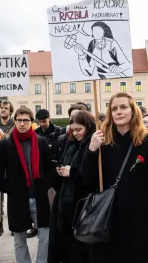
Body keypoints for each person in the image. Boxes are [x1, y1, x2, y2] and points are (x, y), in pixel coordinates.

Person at [81, 92, 148, 263]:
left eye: (123, 107)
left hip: (142, 220)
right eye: (114, 108)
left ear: (133, 111)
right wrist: (91, 149)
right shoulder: (102, 140)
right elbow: (86, 179)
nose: (118, 112)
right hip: (109, 219)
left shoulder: (146, 141)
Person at [0, 106, 53, 263]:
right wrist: (10, 189)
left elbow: (49, 168)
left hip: (39, 197)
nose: (22, 123)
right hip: (17, 199)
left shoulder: (41, 142)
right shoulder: (6, 144)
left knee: (45, 236)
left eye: (26, 120)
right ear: (15, 121)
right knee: (19, 239)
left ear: (32, 122)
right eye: (19, 120)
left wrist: (44, 185)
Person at [49, 111, 96, 263]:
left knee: (79, 249)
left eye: (79, 129)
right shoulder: (70, 143)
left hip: (82, 202)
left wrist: (72, 171)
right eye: (73, 129)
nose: (75, 133)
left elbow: (89, 174)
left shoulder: (93, 144)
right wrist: (60, 170)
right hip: (65, 200)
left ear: (88, 127)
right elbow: (64, 162)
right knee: (66, 246)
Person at [0, 99, 15, 237]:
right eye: (1, 107)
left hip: (12, 162)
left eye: (6, 108)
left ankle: (14, 225)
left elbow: (14, 140)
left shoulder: (16, 123)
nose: (3, 110)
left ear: (10, 110)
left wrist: (2, 135)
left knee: (14, 196)